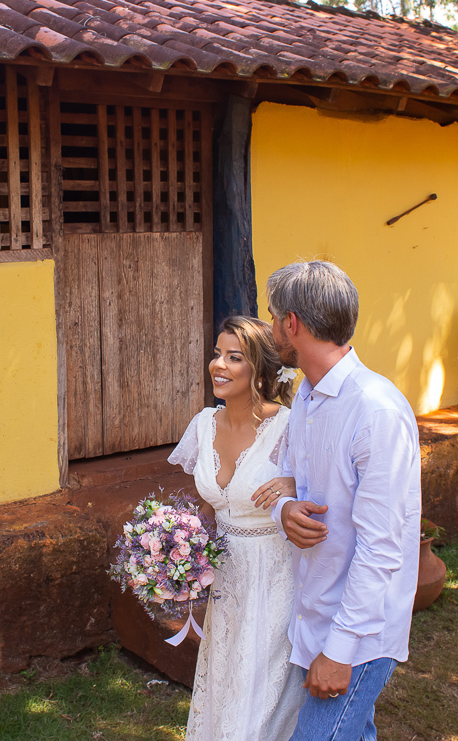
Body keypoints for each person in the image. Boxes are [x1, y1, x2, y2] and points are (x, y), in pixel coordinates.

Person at [266, 260, 421, 741]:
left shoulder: (376, 410)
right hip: (314, 614)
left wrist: (339, 650)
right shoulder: (306, 396)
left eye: (273, 317)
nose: (270, 328)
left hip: (358, 635)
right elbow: (283, 478)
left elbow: (382, 547)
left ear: (292, 323)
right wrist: (284, 510)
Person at [168, 316, 312, 741]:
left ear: (260, 370)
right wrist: (176, 551)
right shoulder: (203, 424)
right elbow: (214, 505)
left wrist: (295, 484)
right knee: (225, 682)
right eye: (218, 354)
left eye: (234, 357)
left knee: (263, 695)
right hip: (226, 579)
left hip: (275, 575)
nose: (219, 365)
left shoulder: (288, 427)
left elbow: (324, 489)